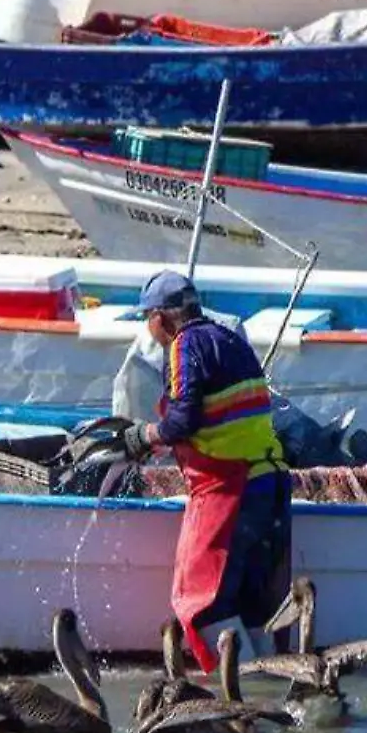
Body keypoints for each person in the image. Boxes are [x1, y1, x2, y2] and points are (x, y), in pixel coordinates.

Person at [120, 271, 290, 670]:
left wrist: (144, 436)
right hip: (271, 482)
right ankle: (268, 695)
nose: (150, 328)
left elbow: (183, 422)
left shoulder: (184, 346)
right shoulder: (231, 340)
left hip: (232, 490)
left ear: (161, 318)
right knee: (254, 605)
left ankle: (236, 696)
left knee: (205, 602)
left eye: (148, 318)